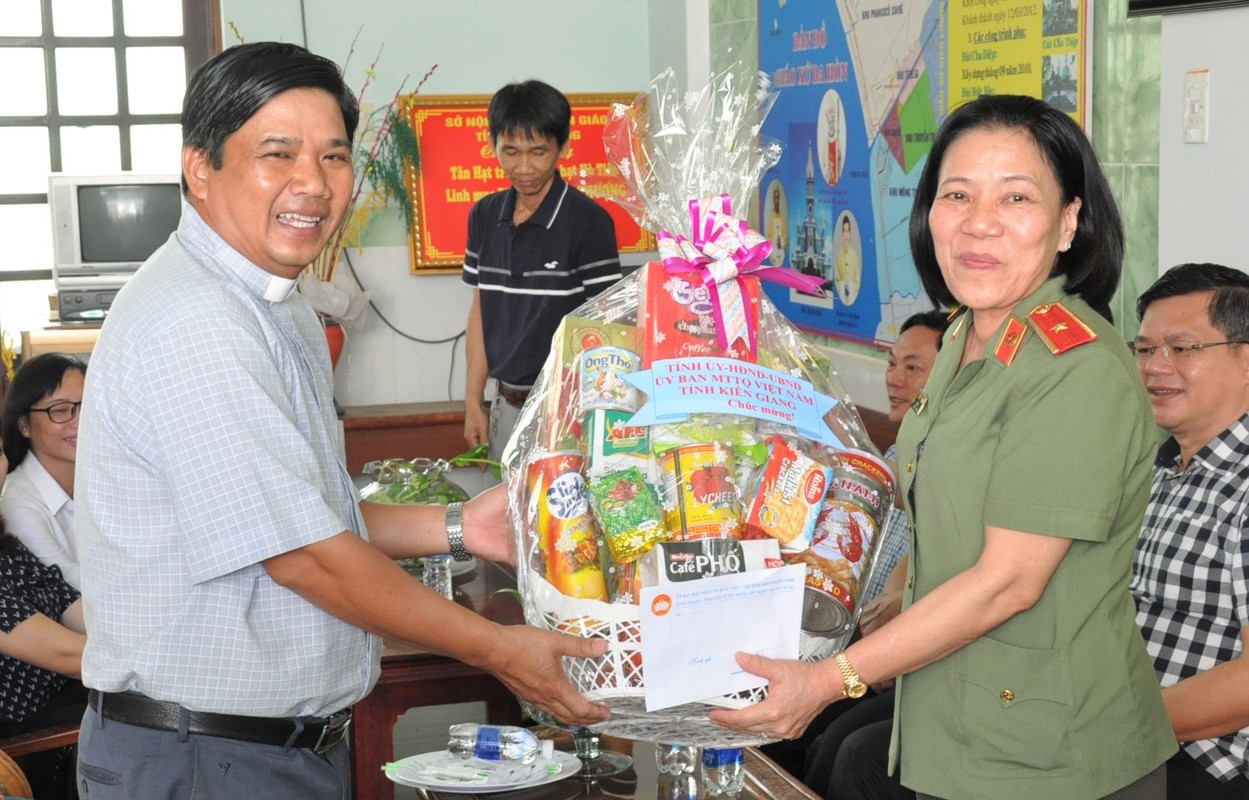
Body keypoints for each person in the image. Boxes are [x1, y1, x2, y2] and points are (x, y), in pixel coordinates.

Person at [74, 42, 608, 799]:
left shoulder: (275, 301)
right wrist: (497, 648)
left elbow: (310, 510)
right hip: (201, 756)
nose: (313, 185)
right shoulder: (196, 320)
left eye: (332, 156)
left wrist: (458, 527)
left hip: (262, 748)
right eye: (276, 153)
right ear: (199, 165)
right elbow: (304, 555)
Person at [711, 93, 1176, 799]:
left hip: (1052, 756)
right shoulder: (965, 333)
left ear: (1067, 223)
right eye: (956, 194)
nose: (978, 223)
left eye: (1014, 197)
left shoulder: (1074, 367)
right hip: (953, 723)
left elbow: (1007, 581)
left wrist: (828, 680)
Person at [799, 310, 949, 798]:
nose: (894, 379)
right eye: (891, 364)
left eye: (913, 367)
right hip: (851, 630)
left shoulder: (956, 461)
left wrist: (887, 632)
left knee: (841, 742)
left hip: (895, 651)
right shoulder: (890, 456)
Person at [1131, 262, 1249, 799]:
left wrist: (1102, 726)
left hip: (1198, 760)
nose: (1156, 367)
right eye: (1144, 349)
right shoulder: (1157, 465)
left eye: (1182, 349)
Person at [462, 79, 622, 465]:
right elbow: (481, 311)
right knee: (503, 519)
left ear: (563, 147)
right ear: (494, 145)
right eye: (510, 151)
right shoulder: (485, 216)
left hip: (568, 413)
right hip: (506, 405)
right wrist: (473, 400)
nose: (524, 167)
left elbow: (610, 329)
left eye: (538, 152)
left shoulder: (589, 221)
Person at [0, 438, 87, 799]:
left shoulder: (6, 545)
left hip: (68, 703)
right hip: (26, 745)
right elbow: (69, 657)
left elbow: (70, 604)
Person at [0, 353, 86, 588]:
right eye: (60, 410)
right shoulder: (16, 503)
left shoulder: (103, 482)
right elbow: (68, 588)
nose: (80, 421)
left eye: (87, 405)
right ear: (24, 425)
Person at [833, 214, 861, 305]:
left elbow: (857, 282)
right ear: (842, 233)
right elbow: (837, 280)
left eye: (848, 231)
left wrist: (850, 287)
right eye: (844, 231)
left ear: (850, 233)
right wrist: (843, 285)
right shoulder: (839, 256)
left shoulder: (854, 256)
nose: (846, 235)